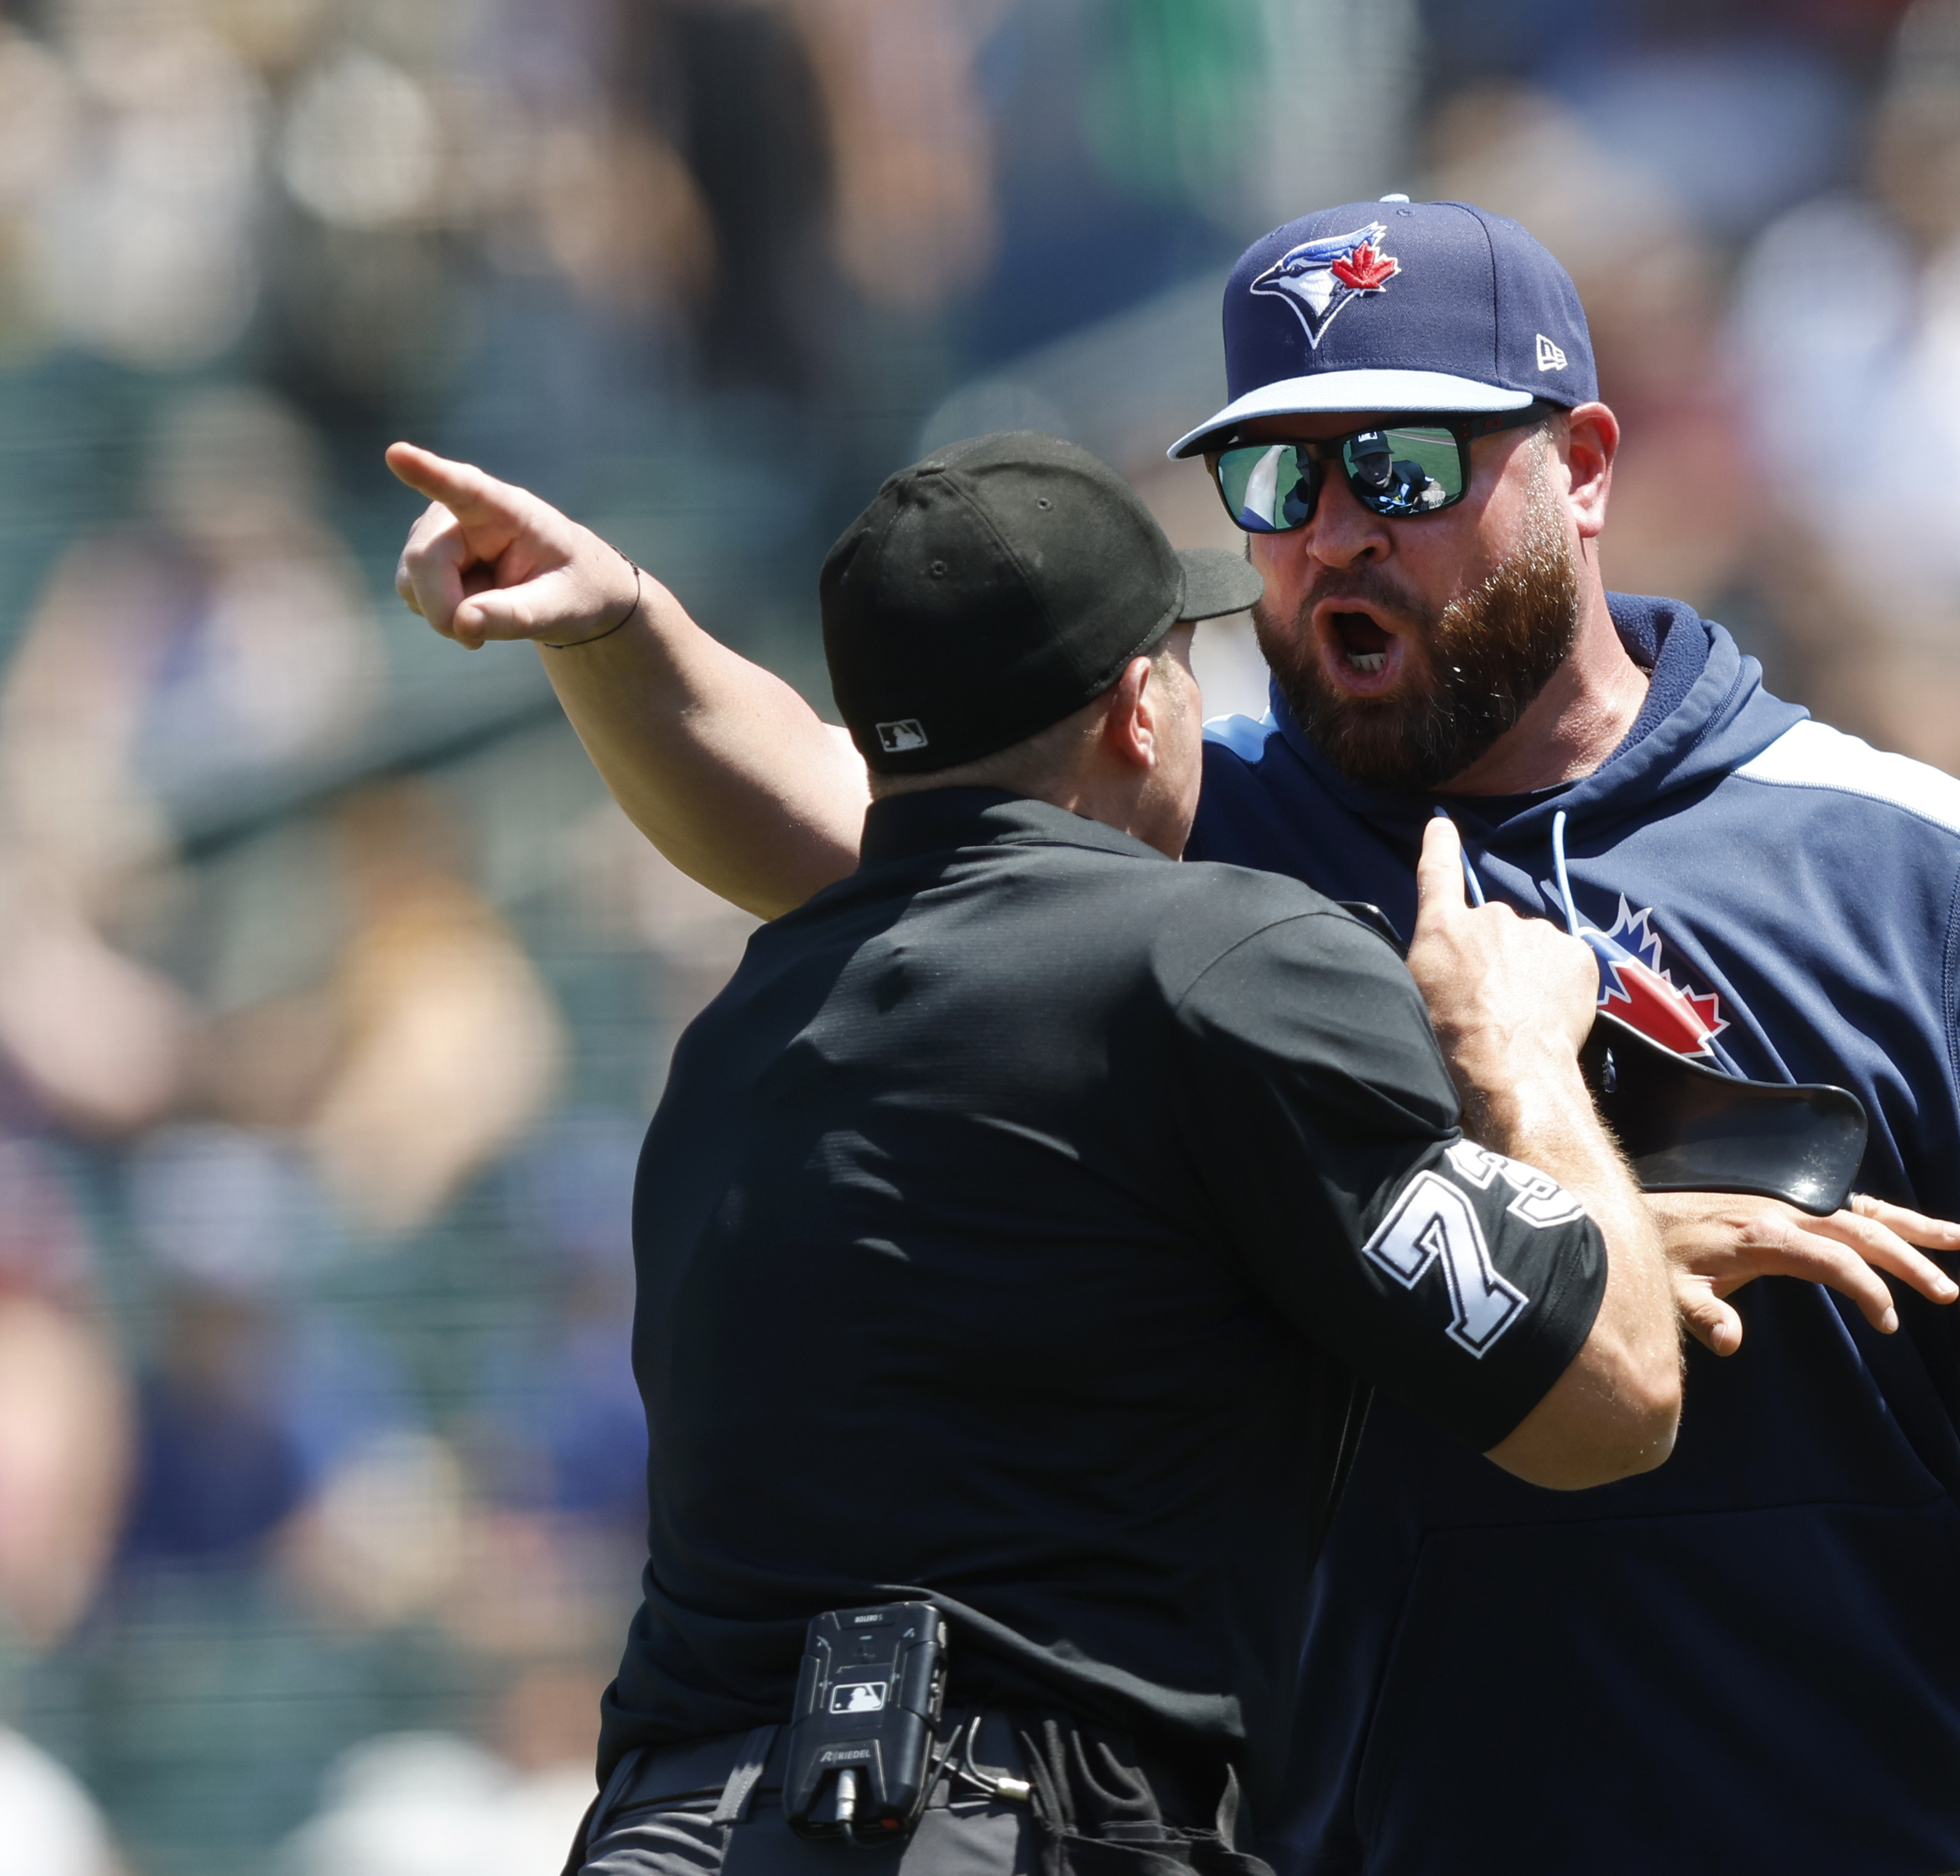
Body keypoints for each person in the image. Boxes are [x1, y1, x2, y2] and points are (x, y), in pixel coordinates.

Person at [389, 199, 1960, 1875]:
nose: (1334, 528)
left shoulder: (1901, 863)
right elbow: (828, 805)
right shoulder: (1185, 848)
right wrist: (624, 626)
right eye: (1275, 475)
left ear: (1579, 468)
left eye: (1401, 465)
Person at [550, 430, 1702, 1874]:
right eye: (1183, 656)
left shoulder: (740, 1030)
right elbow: (1614, 1393)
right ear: (1139, 711)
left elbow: (1085, 1295)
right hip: (999, 1828)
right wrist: (1517, 1062)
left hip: (666, 1833)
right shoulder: (1223, 956)